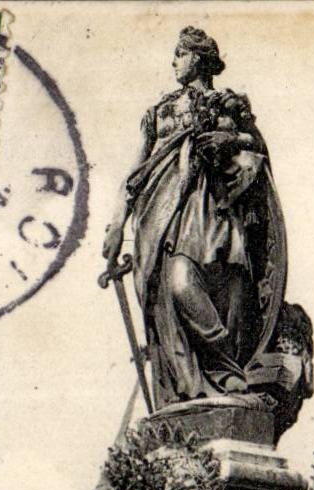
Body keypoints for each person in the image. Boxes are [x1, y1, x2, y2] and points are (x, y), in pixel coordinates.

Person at [101, 27, 288, 407]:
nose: (173, 62)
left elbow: (258, 148)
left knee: (212, 290)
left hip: (213, 210)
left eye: (180, 54)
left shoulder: (226, 104)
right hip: (164, 217)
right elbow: (134, 176)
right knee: (177, 287)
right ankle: (203, 380)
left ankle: (226, 372)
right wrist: (117, 226)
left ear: (198, 59)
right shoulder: (159, 112)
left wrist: (231, 140)